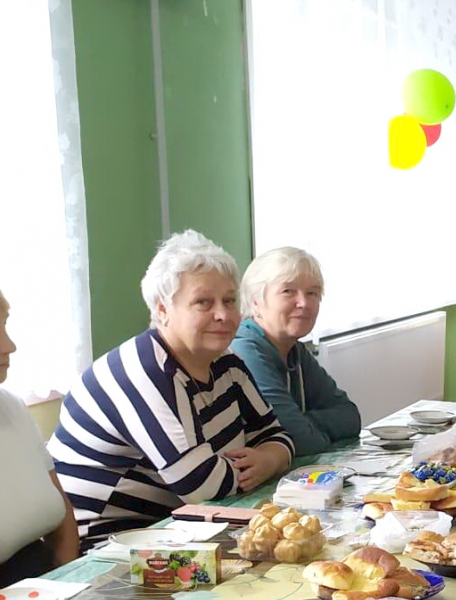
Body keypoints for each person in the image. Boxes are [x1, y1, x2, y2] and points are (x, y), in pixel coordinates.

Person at [49, 231, 294, 547]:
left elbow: (278, 437)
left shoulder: (226, 362)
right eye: (203, 302)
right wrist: (257, 462)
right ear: (162, 309)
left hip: (182, 528)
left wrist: (269, 459)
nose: (223, 314)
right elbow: (200, 484)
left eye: (230, 300)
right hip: (111, 545)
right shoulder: (141, 371)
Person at [231, 247, 361, 456]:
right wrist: (307, 429)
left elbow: (350, 417)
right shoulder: (245, 350)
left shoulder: (294, 350)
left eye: (312, 293)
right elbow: (300, 440)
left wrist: (305, 422)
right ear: (256, 303)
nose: (304, 303)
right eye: (288, 291)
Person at [0, 289, 78, 585]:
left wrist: (66, 582)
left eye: (5, 325)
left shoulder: (12, 406)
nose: (10, 346)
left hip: (44, 590)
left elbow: (60, 511)